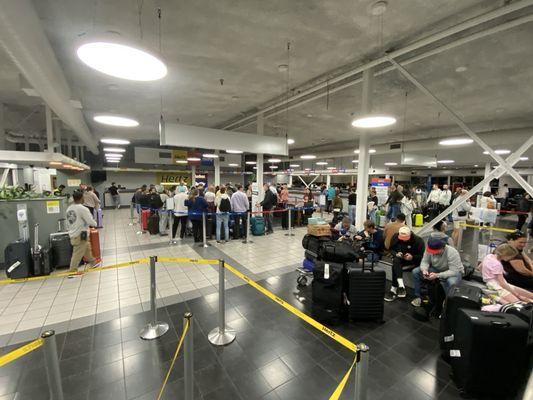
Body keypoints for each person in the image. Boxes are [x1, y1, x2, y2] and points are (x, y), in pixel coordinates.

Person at [411, 237, 464, 307]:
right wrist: (424, 270)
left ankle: (448, 304)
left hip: (453, 272)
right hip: (437, 268)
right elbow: (425, 261)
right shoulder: (429, 249)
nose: (433, 253)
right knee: (416, 272)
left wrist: (437, 275)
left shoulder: (452, 252)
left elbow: (454, 271)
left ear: (443, 248)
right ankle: (418, 297)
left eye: (435, 251)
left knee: (452, 283)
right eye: (431, 251)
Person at [384, 226, 425, 301]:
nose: (404, 241)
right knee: (396, 261)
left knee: (395, 266)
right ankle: (401, 286)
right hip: (400, 259)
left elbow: (422, 257)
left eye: (405, 239)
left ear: (410, 235)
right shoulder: (396, 237)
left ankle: (393, 289)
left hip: (414, 261)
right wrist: (396, 254)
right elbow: (391, 249)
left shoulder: (418, 241)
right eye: (402, 239)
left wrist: (412, 257)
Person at [66, 191, 100, 273]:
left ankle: (93, 262)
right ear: (81, 198)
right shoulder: (82, 208)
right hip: (81, 234)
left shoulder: (69, 208)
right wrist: (95, 223)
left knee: (86, 248)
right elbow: (90, 221)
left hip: (73, 232)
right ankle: (72, 270)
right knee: (77, 252)